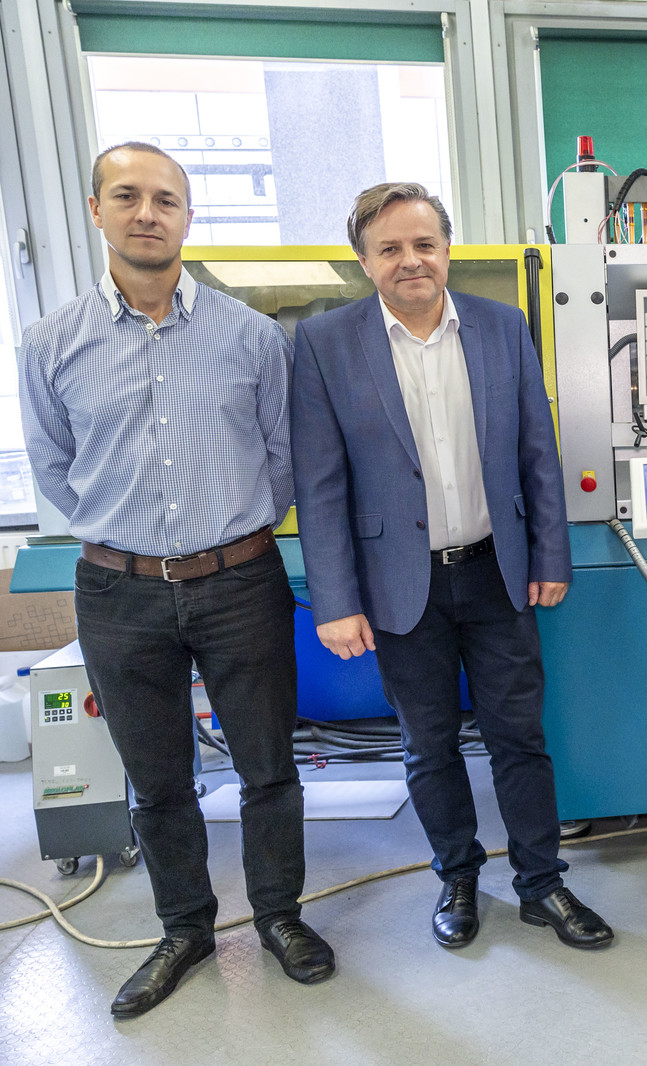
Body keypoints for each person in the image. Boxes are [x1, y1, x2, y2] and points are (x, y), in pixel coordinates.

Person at [17, 143, 333, 1018]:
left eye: (165, 199)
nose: (147, 213)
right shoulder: (50, 343)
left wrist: (225, 535)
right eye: (127, 196)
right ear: (96, 211)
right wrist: (130, 533)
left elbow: (283, 460)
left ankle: (279, 916)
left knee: (268, 768)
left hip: (240, 580)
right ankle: (185, 929)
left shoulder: (252, 336)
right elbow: (54, 465)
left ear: (188, 217)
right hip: (117, 592)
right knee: (156, 781)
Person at [291, 183, 612, 951]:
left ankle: (541, 882)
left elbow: (538, 451)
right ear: (364, 260)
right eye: (391, 248)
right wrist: (335, 598)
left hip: (498, 572)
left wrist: (550, 553)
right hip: (400, 585)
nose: (411, 260)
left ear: (447, 249)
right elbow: (319, 483)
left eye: (424, 244)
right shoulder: (325, 343)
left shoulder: (501, 327)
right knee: (428, 743)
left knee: (519, 737)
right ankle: (457, 877)